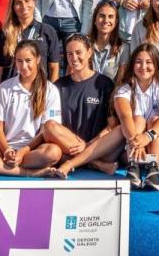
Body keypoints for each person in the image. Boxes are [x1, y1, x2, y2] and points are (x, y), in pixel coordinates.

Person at [0, 41, 64, 177]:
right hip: (5, 147)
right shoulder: (5, 88)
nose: (24, 66)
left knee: (54, 152)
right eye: (19, 61)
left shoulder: (50, 90)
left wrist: (22, 152)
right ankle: (27, 172)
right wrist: (7, 150)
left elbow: (44, 131)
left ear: (38, 59)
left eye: (28, 61)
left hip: (33, 150)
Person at [42, 35, 119, 176]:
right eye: (69, 54)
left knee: (119, 130)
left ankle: (81, 160)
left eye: (78, 52)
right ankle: (95, 165)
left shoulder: (104, 84)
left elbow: (111, 126)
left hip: (98, 148)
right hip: (68, 147)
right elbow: (51, 129)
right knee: (48, 126)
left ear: (89, 53)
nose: (74, 58)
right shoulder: (59, 86)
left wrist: (87, 145)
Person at [112, 43, 159, 191]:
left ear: (156, 65)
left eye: (149, 62)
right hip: (133, 144)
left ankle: (153, 169)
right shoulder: (124, 89)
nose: (143, 66)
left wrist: (147, 137)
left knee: (156, 120)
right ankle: (133, 166)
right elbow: (125, 117)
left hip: (158, 143)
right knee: (138, 119)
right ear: (132, 65)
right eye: (138, 62)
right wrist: (135, 141)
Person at [0, 0, 62, 84]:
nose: (24, 6)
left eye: (27, 0)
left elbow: (54, 67)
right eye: (18, 3)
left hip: (38, 90)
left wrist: (52, 93)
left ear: (34, 2)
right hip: (11, 91)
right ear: (13, 7)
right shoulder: (4, 33)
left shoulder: (47, 31)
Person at [89, 0, 129, 82]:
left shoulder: (123, 48)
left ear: (116, 21)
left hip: (110, 93)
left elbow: (120, 83)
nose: (106, 20)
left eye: (110, 17)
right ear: (94, 20)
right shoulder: (84, 44)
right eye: (102, 16)